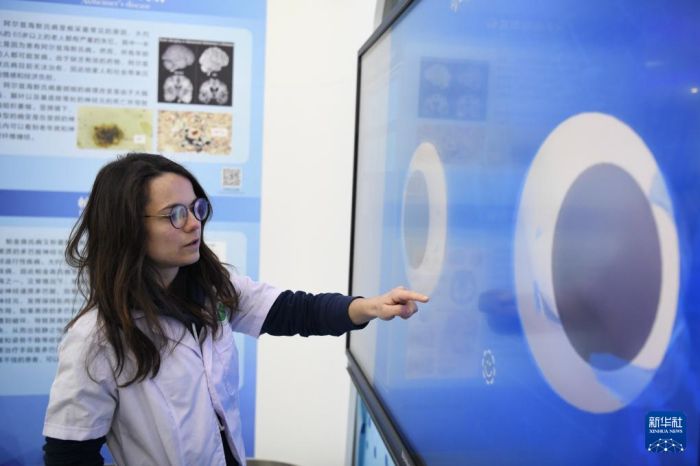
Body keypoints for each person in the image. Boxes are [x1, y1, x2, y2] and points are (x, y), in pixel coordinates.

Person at [42, 153, 429, 466]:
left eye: (196, 208)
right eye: (175, 214)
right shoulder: (97, 338)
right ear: (127, 227)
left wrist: (369, 307)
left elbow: (293, 311)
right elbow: (68, 455)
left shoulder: (212, 290)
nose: (194, 224)